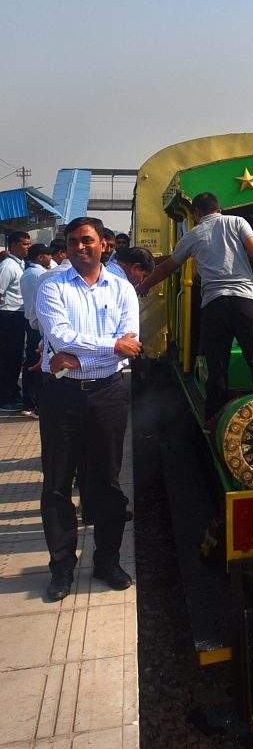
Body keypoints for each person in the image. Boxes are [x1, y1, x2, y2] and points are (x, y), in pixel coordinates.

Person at [35, 215, 141, 601]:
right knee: (58, 482)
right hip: (62, 397)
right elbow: (59, 334)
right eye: (74, 241)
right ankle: (61, 567)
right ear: (66, 246)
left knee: (107, 482)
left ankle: (107, 562)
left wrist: (76, 356)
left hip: (109, 393)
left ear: (103, 244)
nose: (81, 247)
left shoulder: (122, 287)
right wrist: (110, 348)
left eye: (88, 240)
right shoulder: (51, 286)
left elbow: (132, 340)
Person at [136, 192, 253, 421]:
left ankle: (214, 415)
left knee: (217, 363)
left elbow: (168, 267)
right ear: (219, 208)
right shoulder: (237, 222)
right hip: (245, 299)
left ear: (196, 213)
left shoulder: (193, 235)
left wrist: (145, 285)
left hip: (215, 304)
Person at [0, 231, 32, 412]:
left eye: (29, 243)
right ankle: (4, 398)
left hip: (18, 316)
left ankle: (11, 392)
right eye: (24, 244)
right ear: (13, 245)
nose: (28, 247)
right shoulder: (8, 266)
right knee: (7, 358)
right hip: (8, 316)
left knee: (15, 357)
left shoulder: (20, 265)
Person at [19, 243, 52, 415]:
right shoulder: (40, 275)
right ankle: (32, 403)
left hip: (33, 322)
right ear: (40, 257)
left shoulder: (31, 273)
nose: (50, 259)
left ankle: (30, 402)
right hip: (35, 325)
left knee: (32, 362)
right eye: (48, 255)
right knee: (35, 364)